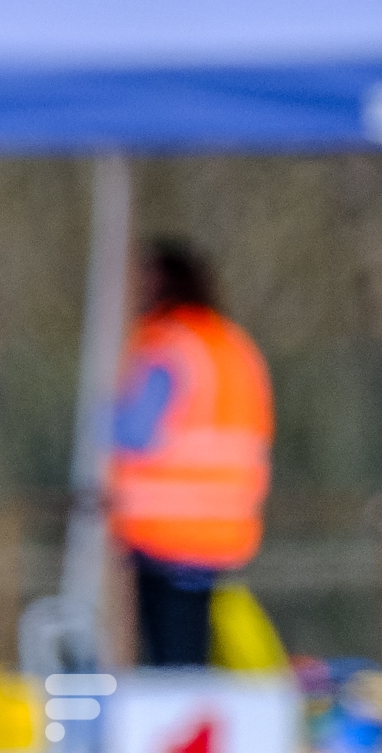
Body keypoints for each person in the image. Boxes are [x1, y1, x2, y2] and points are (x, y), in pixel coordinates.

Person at [109, 239, 273, 669]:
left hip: (166, 529)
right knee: (195, 647)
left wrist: (101, 416)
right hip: (224, 525)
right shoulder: (231, 345)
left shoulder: (168, 347)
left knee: (173, 657)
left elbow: (134, 431)